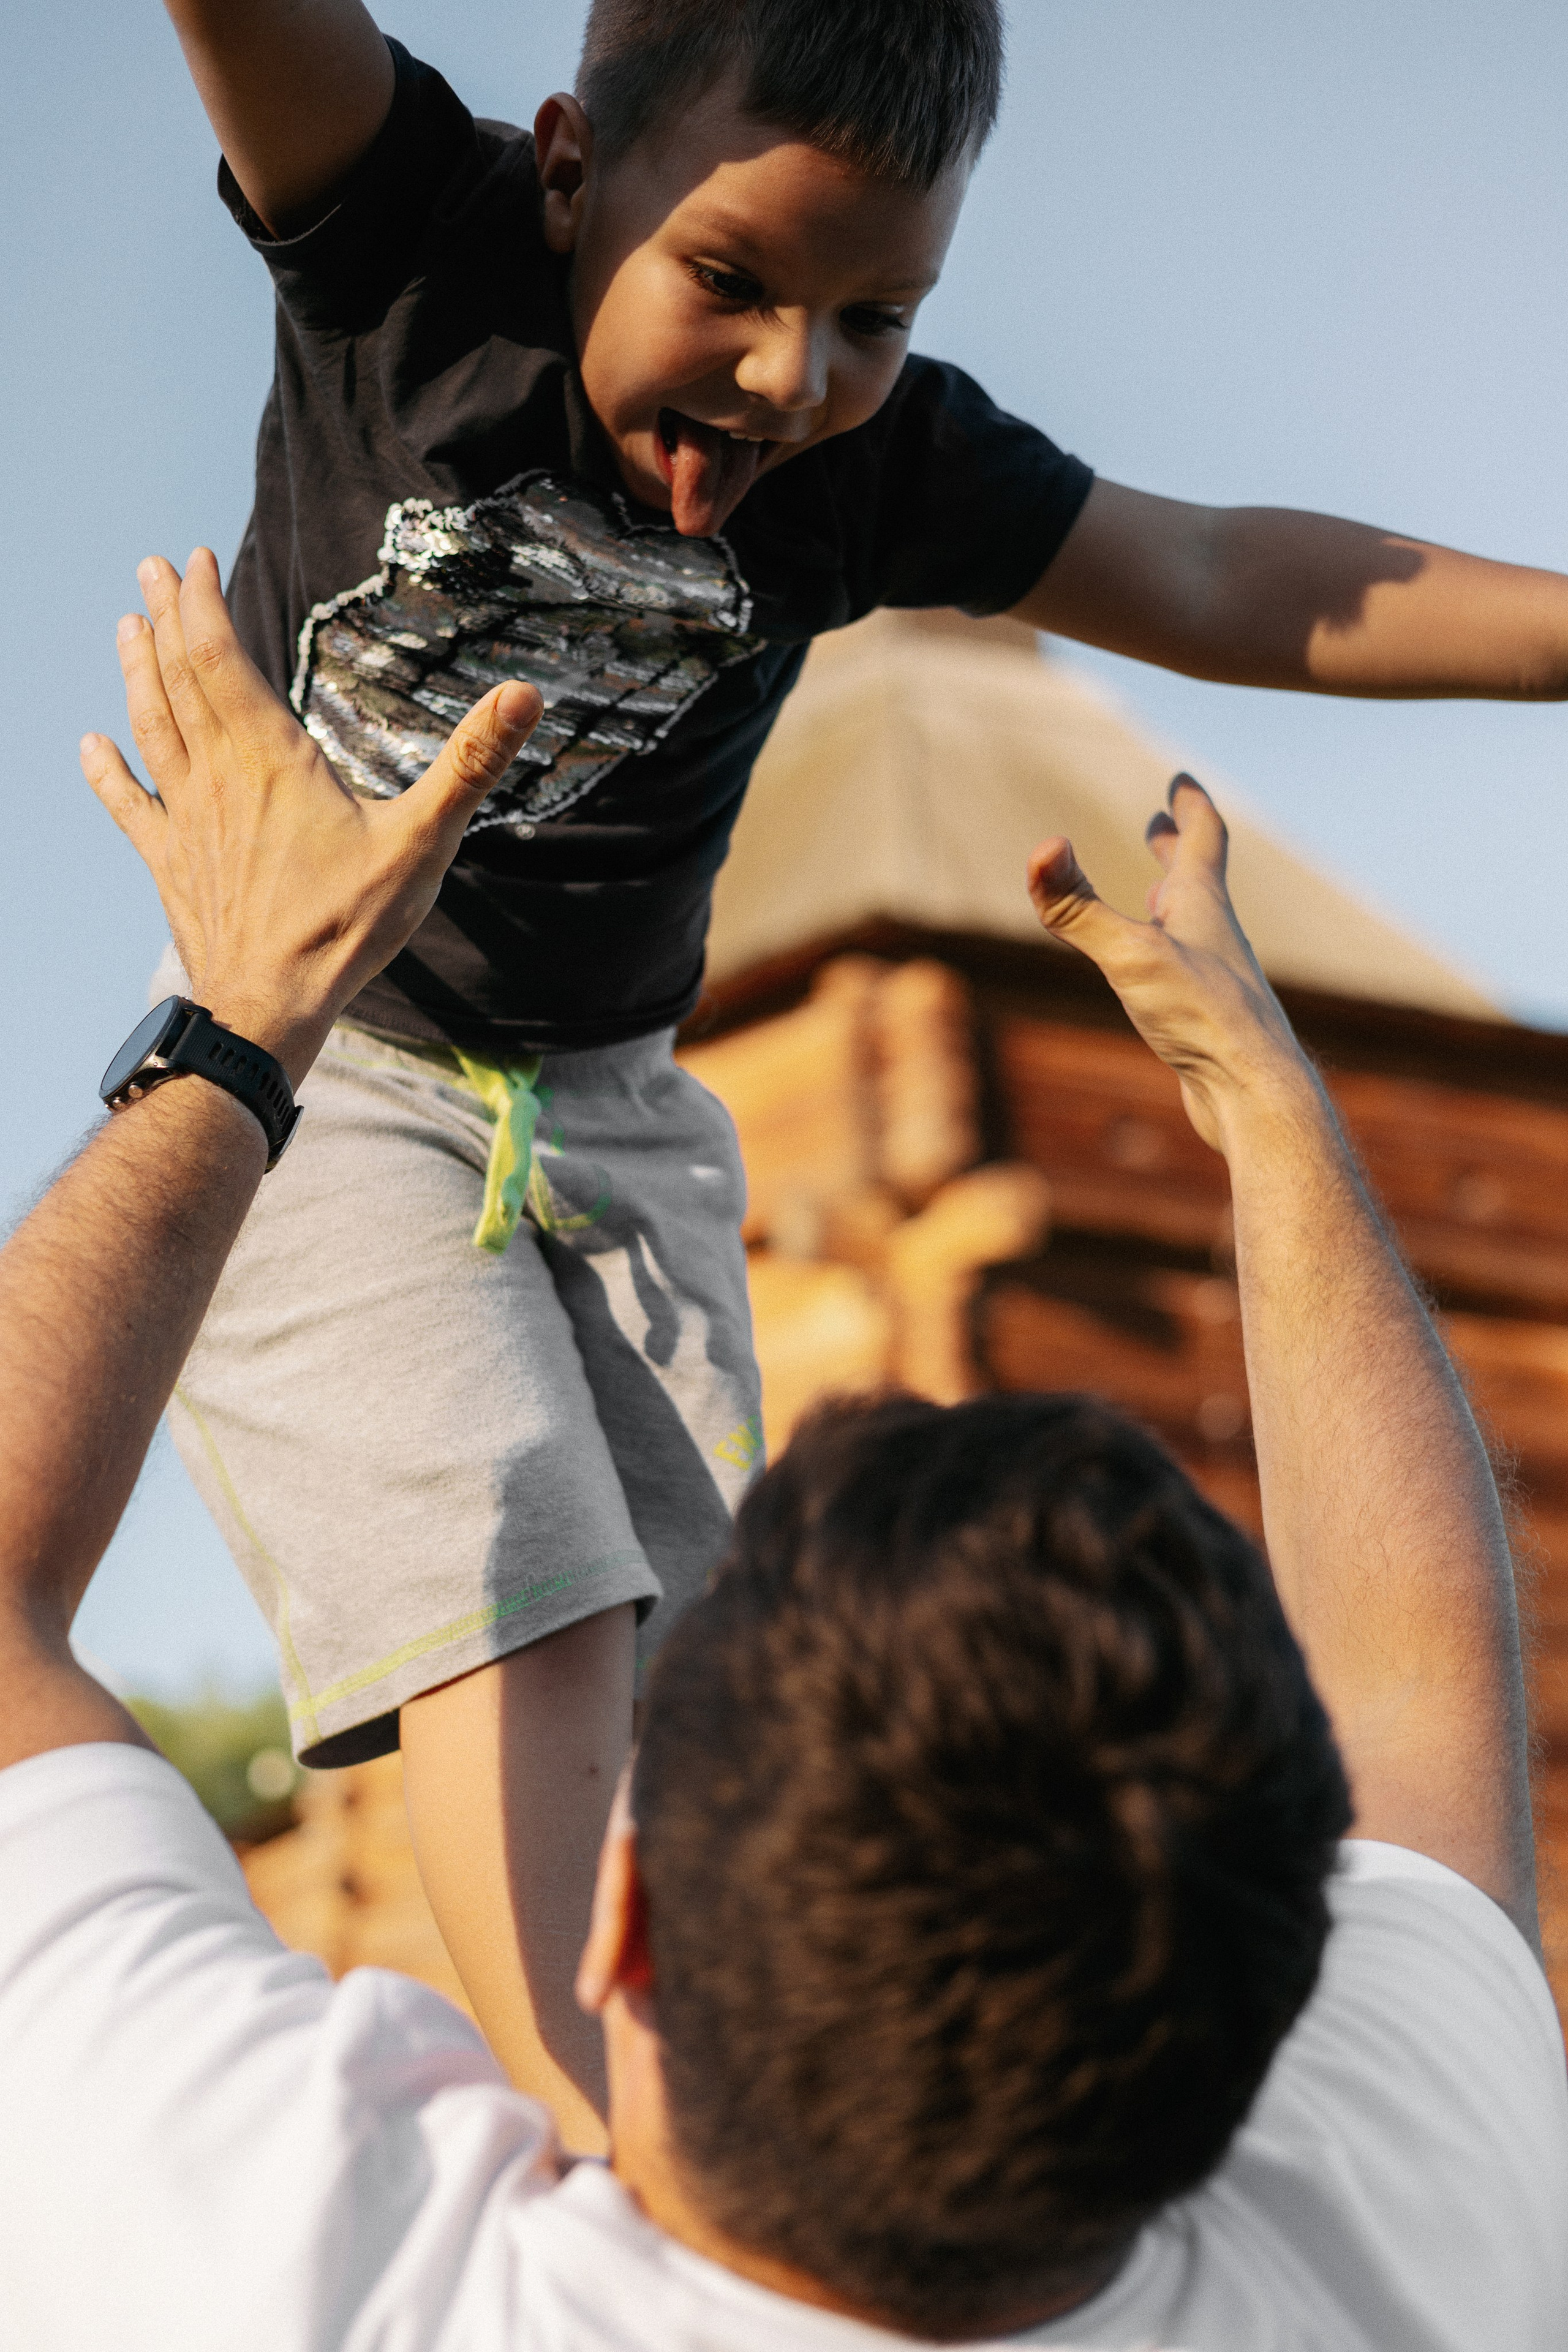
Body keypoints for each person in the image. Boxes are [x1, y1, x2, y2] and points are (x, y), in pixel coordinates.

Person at [147, 0, 1568, 2146]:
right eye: (732, 280)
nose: (792, 375)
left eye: (874, 315)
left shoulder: (871, 473)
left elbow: (1220, 571)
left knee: (702, 1639)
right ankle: (621, 2125)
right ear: (567, 170)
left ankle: (752, 2086)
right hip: (336, 1061)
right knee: (509, 1548)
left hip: (619, 1103)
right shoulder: (411, 252)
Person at [6, 551, 1561, 2349]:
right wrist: (1276, 1111)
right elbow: (1425, 1687)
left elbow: (1420, 1713)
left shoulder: (306, 2269)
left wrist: (243, 1018)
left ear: (625, 1933)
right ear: (1264, 2008)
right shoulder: (1394, 2281)